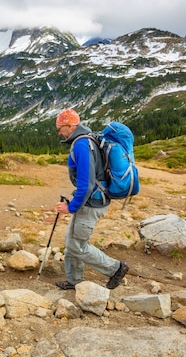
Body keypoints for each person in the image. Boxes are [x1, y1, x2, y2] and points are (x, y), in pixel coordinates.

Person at [54, 108, 129, 290]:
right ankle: (74, 281)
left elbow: (86, 184)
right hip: (93, 200)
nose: (59, 132)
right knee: (71, 241)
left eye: (60, 128)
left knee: (77, 245)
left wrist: (71, 207)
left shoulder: (81, 144)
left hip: (91, 203)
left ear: (71, 125)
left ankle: (115, 268)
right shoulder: (88, 139)